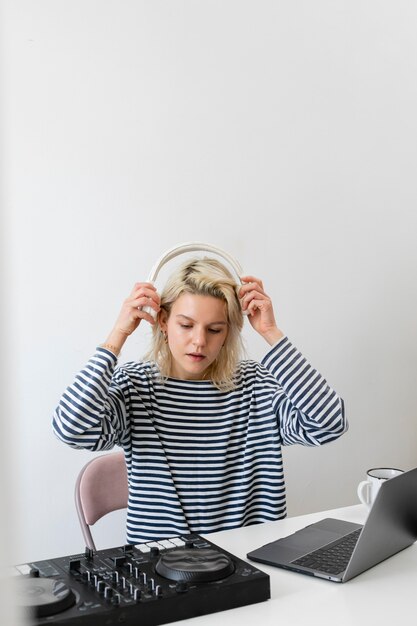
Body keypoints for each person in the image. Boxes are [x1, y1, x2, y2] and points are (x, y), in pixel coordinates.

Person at [53, 257, 347, 544]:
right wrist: (118, 335)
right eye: (186, 325)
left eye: (214, 329)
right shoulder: (135, 386)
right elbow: (72, 429)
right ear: (164, 322)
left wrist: (271, 333)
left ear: (227, 333)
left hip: (248, 564)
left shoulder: (255, 383)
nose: (199, 341)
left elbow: (329, 424)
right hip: (162, 569)